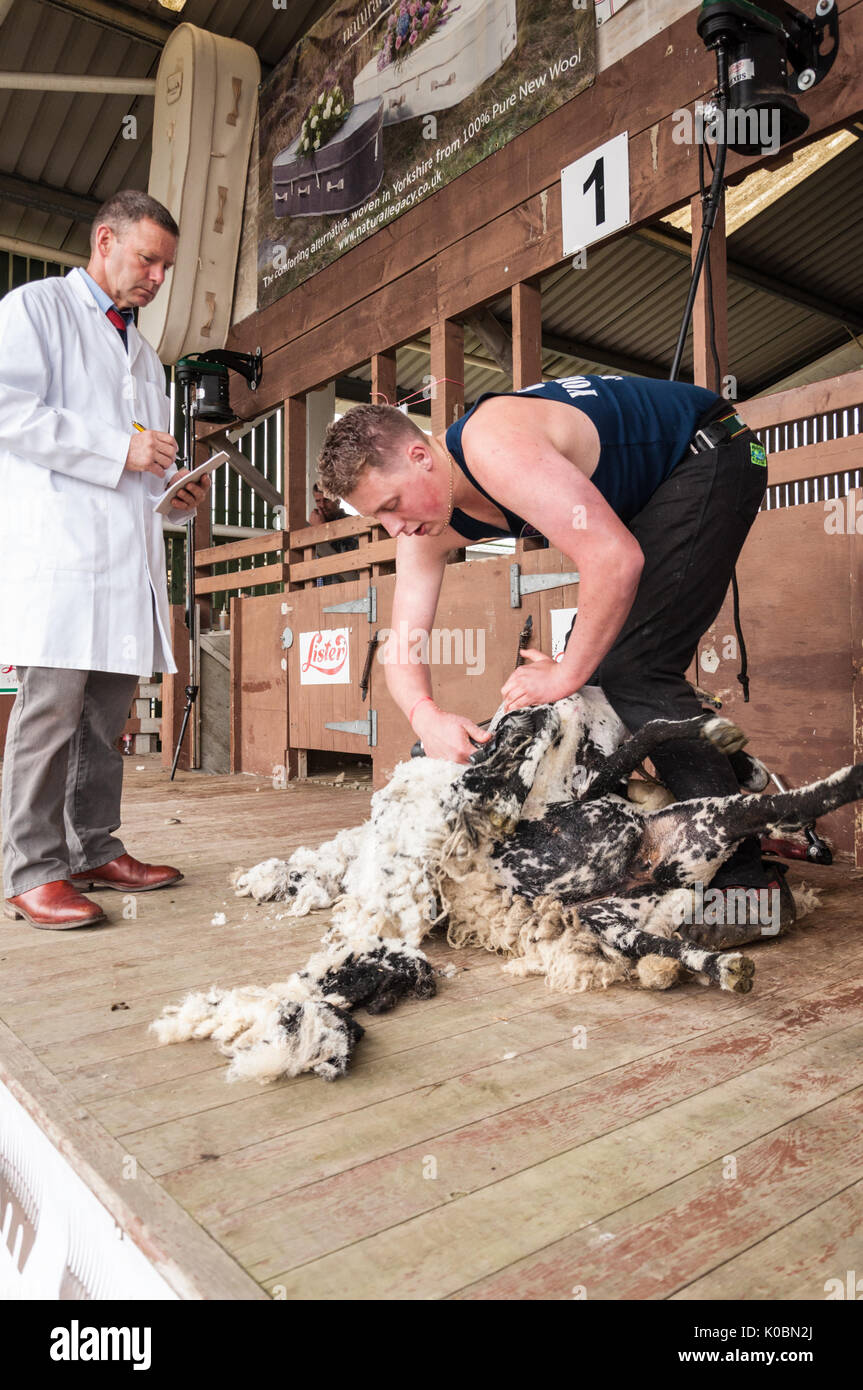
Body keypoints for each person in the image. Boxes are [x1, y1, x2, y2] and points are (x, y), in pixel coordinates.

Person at [318, 374, 785, 921]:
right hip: (652, 491)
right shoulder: (425, 526)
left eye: (394, 503)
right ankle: (731, 787)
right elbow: (404, 644)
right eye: (380, 516)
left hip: (711, 451)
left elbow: (615, 560)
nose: (396, 526)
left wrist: (565, 671)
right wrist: (426, 717)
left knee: (632, 671)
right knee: (592, 681)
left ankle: (744, 887)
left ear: (421, 456)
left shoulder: (493, 447)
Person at [0, 190, 211, 930]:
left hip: (125, 564)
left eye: (166, 266)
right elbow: (6, 408)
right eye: (146, 258)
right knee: (50, 715)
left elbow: (139, 465)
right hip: (59, 556)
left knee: (104, 721)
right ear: (104, 241)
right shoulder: (36, 311)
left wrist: (170, 492)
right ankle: (31, 868)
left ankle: (92, 847)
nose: (157, 276)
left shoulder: (146, 357)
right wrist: (119, 448)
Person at [308, 482, 359, 586]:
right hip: (319, 594)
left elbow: (346, 560)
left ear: (338, 500)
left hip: (347, 590)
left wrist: (321, 531)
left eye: (326, 500)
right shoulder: (312, 528)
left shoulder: (352, 523)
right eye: (318, 501)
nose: (322, 505)